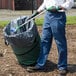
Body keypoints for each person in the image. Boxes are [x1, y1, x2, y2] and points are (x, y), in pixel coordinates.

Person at [26, 0, 74, 75]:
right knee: (44, 40)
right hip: (48, 16)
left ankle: (62, 66)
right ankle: (40, 64)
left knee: (60, 42)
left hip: (58, 15)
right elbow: (46, 2)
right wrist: (37, 12)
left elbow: (71, 2)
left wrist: (59, 7)